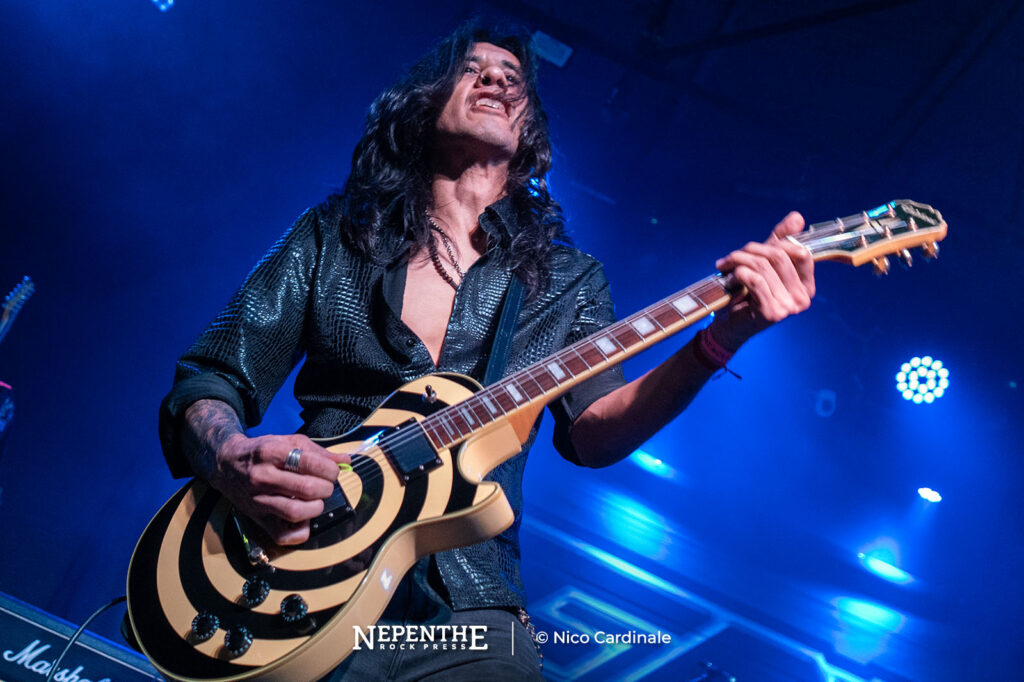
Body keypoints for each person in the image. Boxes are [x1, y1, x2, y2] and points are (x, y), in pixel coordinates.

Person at [157, 22, 814, 681]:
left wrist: (719, 339)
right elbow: (212, 375)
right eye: (472, 69)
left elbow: (595, 433)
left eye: (513, 77)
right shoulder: (334, 235)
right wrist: (228, 457)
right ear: (421, 101)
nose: (497, 78)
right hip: (298, 567)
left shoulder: (568, 280)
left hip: (468, 613)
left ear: (528, 130)